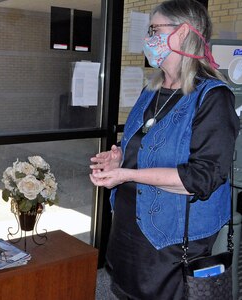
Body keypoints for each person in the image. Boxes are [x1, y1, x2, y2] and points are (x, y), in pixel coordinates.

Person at [89, 0, 239, 299]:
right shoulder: (152, 90)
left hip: (173, 243)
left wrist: (127, 173)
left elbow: (201, 179)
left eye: (155, 29)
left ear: (183, 33)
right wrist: (119, 156)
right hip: (129, 231)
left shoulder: (213, 98)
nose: (148, 39)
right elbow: (146, 144)